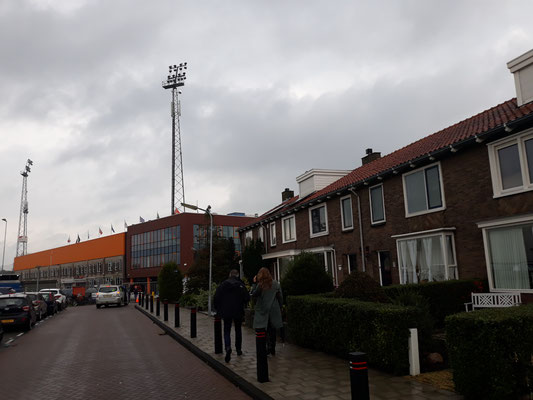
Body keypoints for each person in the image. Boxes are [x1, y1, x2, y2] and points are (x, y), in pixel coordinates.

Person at [214, 269, 250, 363]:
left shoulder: (223, 285)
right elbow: (247, 298)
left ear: (230, 275)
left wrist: (218, 309)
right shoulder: (241, 285)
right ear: (237, 275)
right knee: (238, 329)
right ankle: (238, 349)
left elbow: (216, 297)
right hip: (238, 311)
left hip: (226, 311)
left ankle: (228, 347)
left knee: (227, 329)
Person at [251, 267, 283, 356]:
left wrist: (254, 283)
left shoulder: (260, 285)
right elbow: (280, 297)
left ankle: (267, 347)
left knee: (263, 329)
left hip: (263, 309)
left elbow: (254, 294)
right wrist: (280, 307)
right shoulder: (276, 283)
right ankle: (272, 347)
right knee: (272, 329)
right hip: (273, 309)